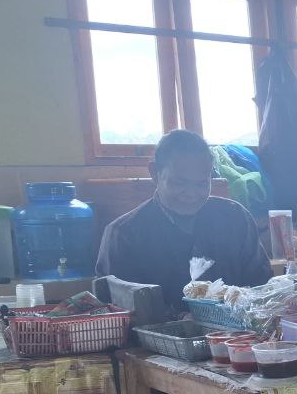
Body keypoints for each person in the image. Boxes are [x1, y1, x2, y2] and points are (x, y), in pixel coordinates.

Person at [97, 130, 273, 309]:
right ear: (155, 173)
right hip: (156, 335)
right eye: (179, 183)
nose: (191, 194)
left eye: (202, 184)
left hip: (237, 335)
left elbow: (262, 289)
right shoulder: (124, 234)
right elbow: (118, 313)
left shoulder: (236, 219)